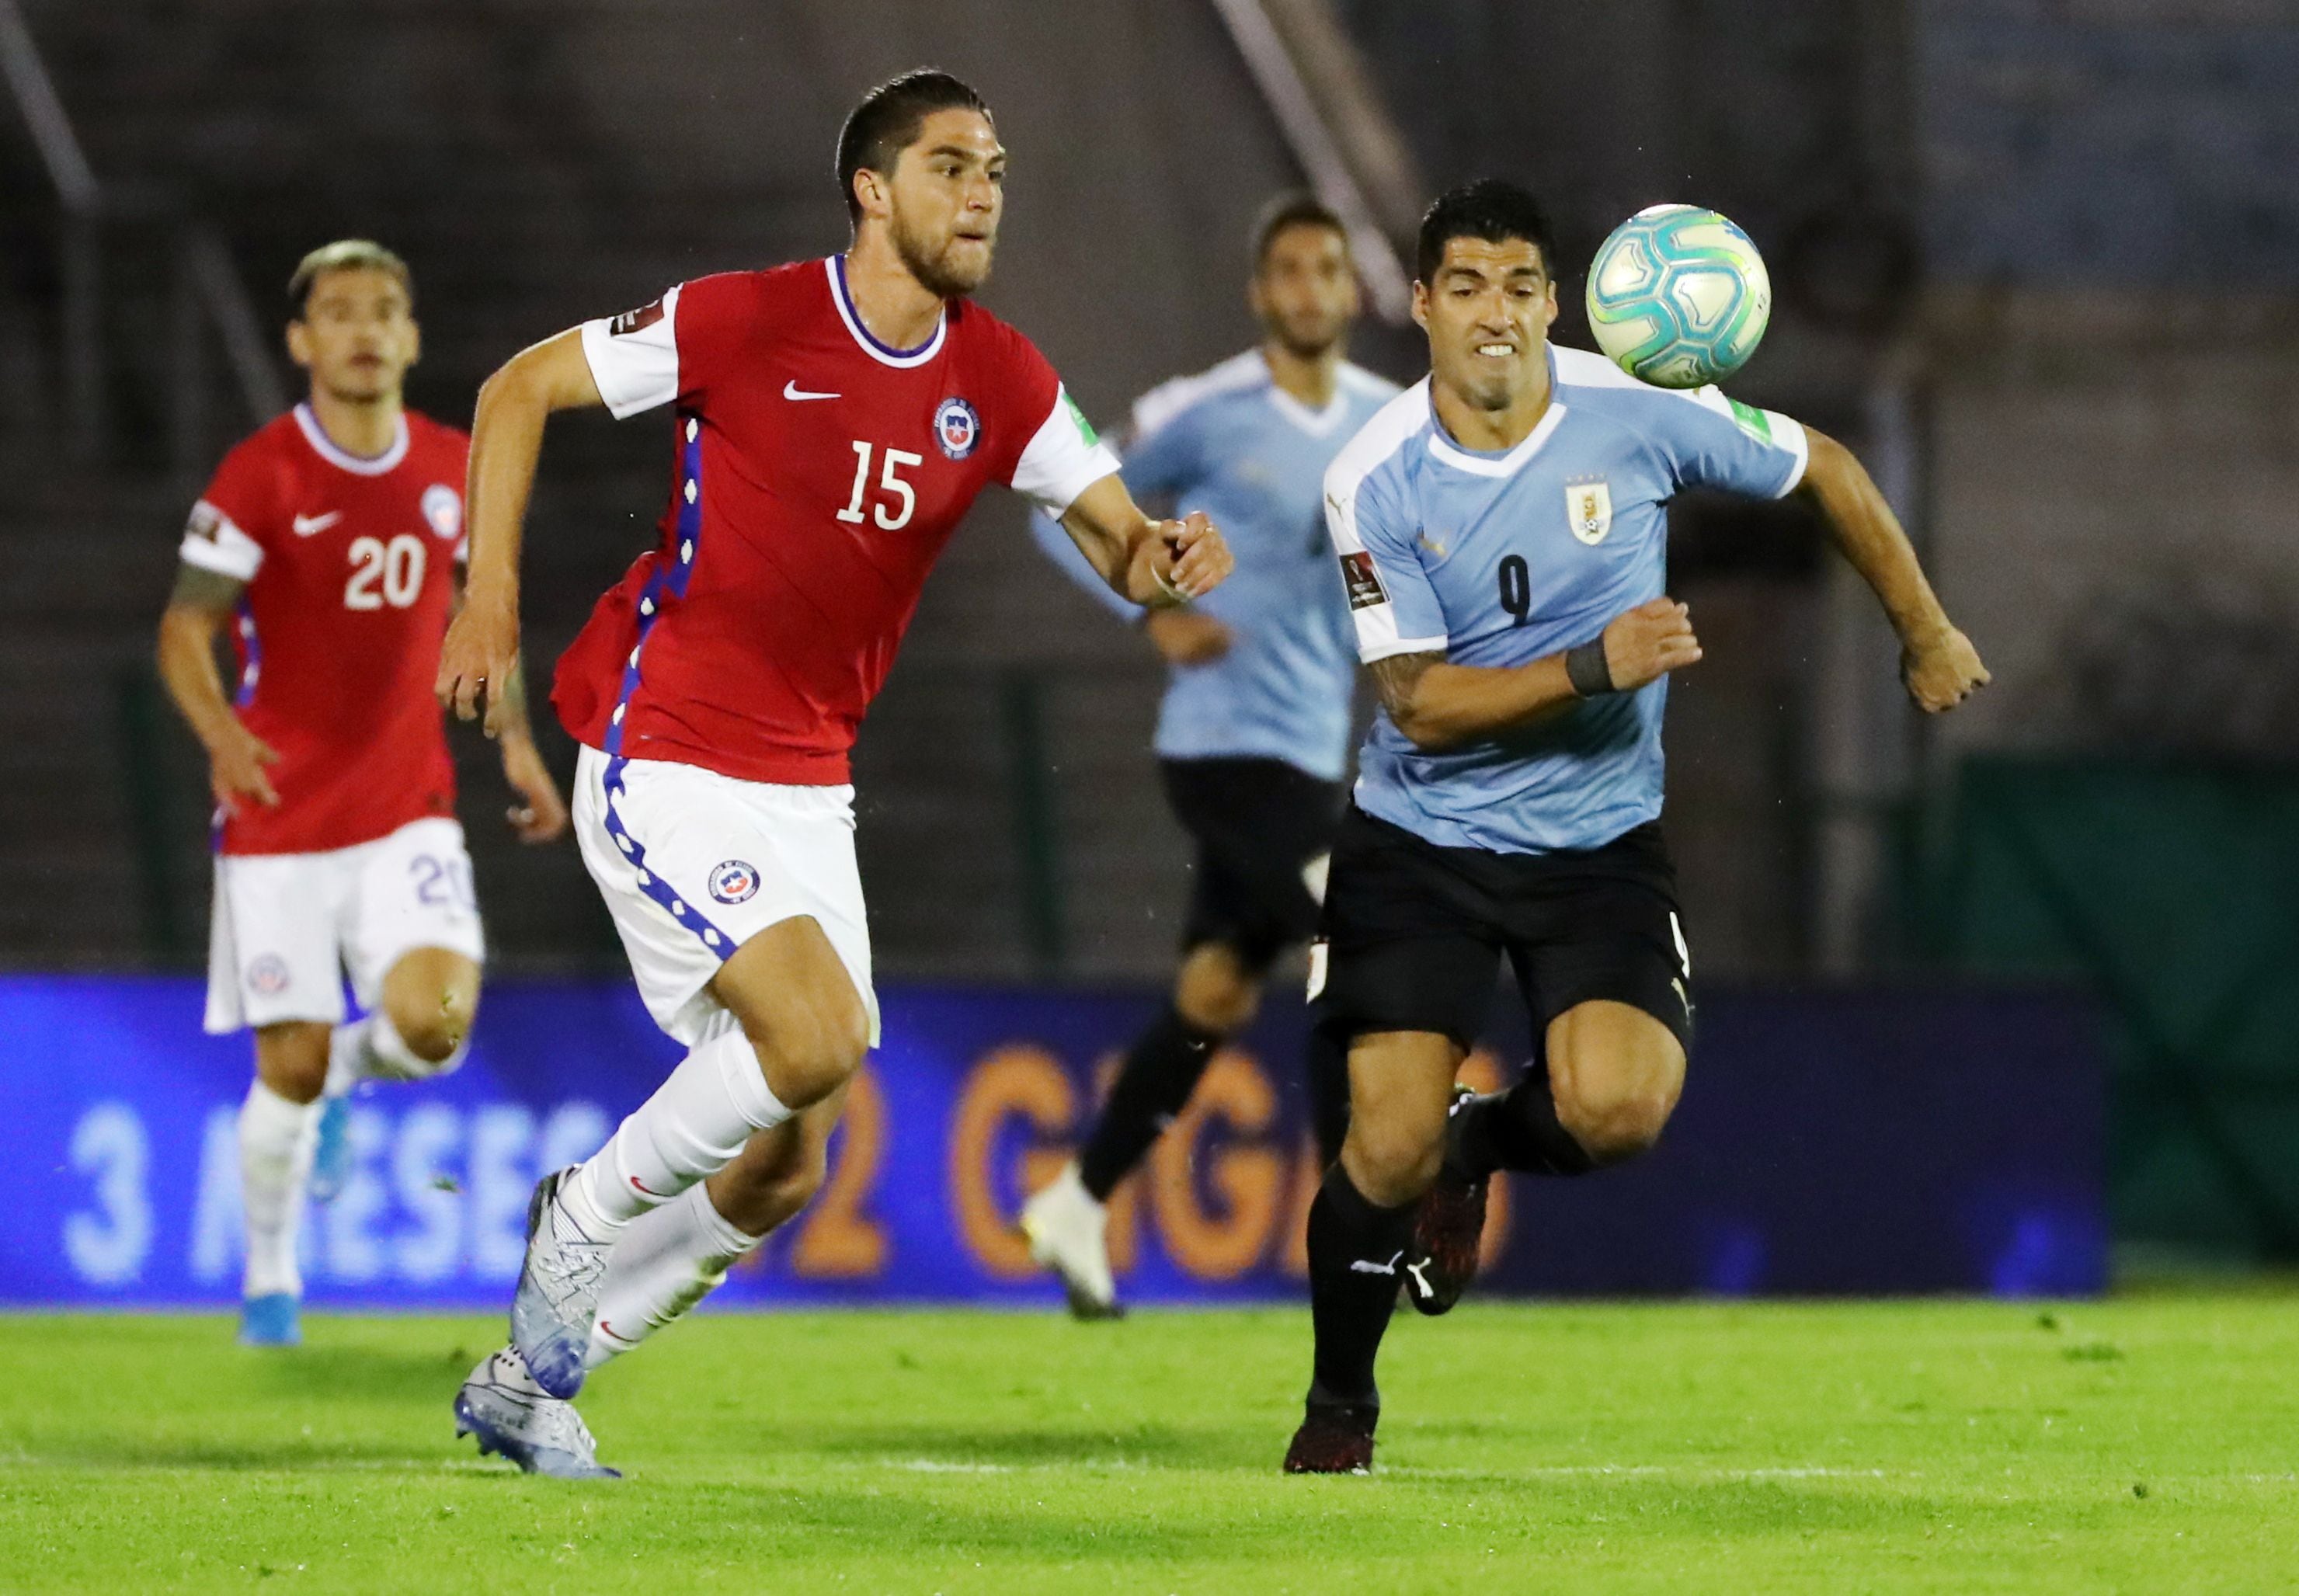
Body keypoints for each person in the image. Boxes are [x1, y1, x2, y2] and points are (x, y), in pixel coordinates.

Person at [434, 69, 1234, 1480]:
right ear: (873, 190)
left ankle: (535, 1378)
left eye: (994, 168)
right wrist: (486, 593)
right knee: (814, 1041)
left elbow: (1114, 537)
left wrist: (1160, 557)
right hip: (661, 738)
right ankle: (580, 1214)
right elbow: (517, 390)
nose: (984, 191)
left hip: (810, 780)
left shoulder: (1004, 377)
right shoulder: (747, 319)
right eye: (950, 166)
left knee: (788, 1161)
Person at [1284, 181, 1991, 1473]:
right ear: (1422, 307)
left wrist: (1925, 627)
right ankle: (1341, 1409)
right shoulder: (1371, 476)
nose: (1493, 314)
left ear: (1557, 304)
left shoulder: (1637, 409)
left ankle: (1477, 1142)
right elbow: (1422, 705)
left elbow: (1823, 465)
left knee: (1618, 1115)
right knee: (1376, 1140)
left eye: (1518, 287)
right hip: (1421, 840)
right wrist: (1594, 665)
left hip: (1598, 845)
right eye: (1465, 287)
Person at [156, 239, 568, 1351]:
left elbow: (477, 619)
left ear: (412, 336)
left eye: (384, 309)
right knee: (280, 1069)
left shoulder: (450, 465)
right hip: (278, 818)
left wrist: (518, 746)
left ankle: (352, 1067)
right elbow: (184, 627)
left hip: (404, 810)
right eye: (339, 313)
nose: (364, 329)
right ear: (302, 342)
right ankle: (272, 1286)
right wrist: (222, 733)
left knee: (435, 1025)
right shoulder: (262, 476)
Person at [1017, 193, 1396, 1317]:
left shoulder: (1389, 422)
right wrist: (1151, 614)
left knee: (1218, 993)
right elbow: (1058, 510)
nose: (1309, 290)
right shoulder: (1206, 411)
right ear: (1260, 291)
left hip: (1315, 748)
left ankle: (1078, 1202)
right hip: (1222, 748)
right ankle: (1360, 1229)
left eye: (1328, 270)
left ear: (1349, 290)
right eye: (1288, 271)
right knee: (1349, 936)